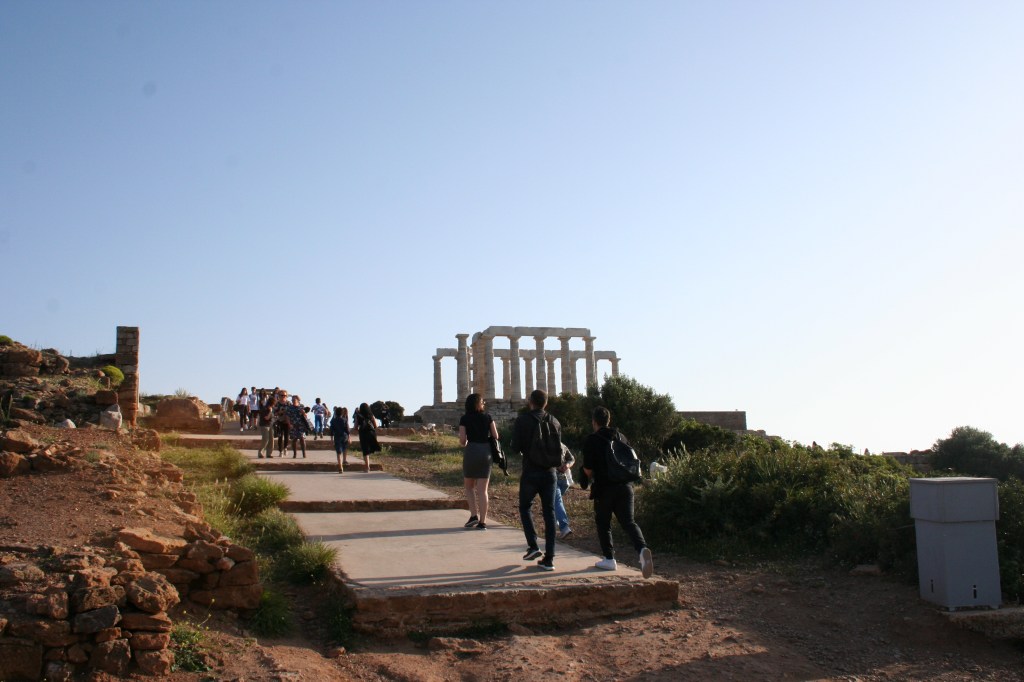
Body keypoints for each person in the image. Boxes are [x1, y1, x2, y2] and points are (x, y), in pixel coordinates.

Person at [582, 406, 653, 578]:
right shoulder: (621, 437)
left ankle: (609, 559)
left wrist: (586, 475)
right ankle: (642, 549)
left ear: (594, 422)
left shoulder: (592, 439)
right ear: (609, 421)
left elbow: (588, 469)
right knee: (629, 522)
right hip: (626, 487)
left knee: (603, 523)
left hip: (605, 487)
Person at [510, 389, 561, 571]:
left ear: (530, 401)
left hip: (531, 470)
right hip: (550, 473)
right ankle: (550, 559)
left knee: (525, 507)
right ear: (545, 403)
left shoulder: (523, 420)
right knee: (550, 513)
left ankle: (533, 546)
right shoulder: (555, 421)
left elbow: (515, 447)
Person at [458, 393, 498, 530]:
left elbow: (463, 441)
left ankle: (473, 515)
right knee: (483, 490)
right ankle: (483, 522)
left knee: (469, 487)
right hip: (485, 452)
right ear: (479, 404)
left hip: (471, 451)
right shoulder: (488, 417)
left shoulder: (464, 418)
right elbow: (495, 436)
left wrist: (468, 439)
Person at [553, 444, 575, 539]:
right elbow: (572, 459)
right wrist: (567, 465)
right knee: (555, 502)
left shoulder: (545, 444)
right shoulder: (562, 445)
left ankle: (564, 527)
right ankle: (553, 526)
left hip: (554, 479)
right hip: (564, 480)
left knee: (556, 502)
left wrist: (566, 465)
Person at [354, 402, 380, 471]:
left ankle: (367, 467)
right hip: (371, 433)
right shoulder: (371, 415)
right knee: (370, 448)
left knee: (365, 450)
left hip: (363, 433)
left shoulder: (358, 415)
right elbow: (376, 426)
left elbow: (355, 427)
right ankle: (368, 466)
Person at [330, 406, 351, 473]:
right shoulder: (344, 420)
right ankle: (344, 460)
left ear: (335, 413)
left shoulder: (333, 421)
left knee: (338, 453)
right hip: (344, 436)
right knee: (344, 448)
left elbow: (331, 431)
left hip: (337, 437)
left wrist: (331, 439)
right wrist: (349, 438)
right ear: (342, 413)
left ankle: (340, 467)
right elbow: (347, 430)